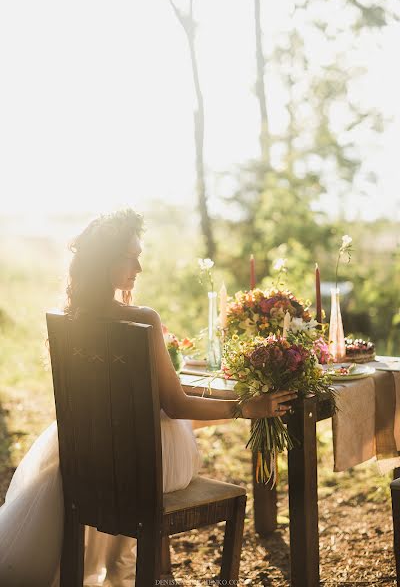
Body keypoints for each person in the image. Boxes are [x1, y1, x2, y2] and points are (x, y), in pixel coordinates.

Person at [0, 209, 296, 586]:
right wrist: (245, 408)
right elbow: (175, 404)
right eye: (131, 256)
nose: (138, 267)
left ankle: (132, 570)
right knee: (177, 418)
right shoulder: (143, 319)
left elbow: (150, 394)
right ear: (106, 260)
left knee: (171, 416)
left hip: (87, 457)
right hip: (145, 466)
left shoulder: (68, 319)